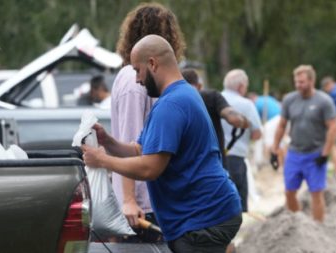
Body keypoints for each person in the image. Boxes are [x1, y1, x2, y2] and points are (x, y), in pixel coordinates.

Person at [82, 35, 242, 253]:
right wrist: (108, 141)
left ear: (152, 64)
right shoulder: (178, 96)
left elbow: (150, 168)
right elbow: (140, 150)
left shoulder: (172, 104)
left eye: (137, 70)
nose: (137, 79)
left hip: (204, 218)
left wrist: (102, 160)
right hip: (207, 213)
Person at [109, 2, 186, 242]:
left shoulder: (145, 80)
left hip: (149, 201)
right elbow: (130, 140)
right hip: (140, 208)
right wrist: (130, 201)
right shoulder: (135, 83)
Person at [271, 65, 336, 222]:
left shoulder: (324, 101)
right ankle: (298, 224)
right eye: (296, 82)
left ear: (311, 80)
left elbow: (333, 127)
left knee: (316, 193)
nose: (298, 85)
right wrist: (275, 149)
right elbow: (281, 125)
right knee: (289, 192)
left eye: (302, 82)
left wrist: (325, 153)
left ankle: (318, 228)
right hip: (294, 153)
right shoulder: (289, 100)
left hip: (315, 154)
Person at [181, 68, 249, 167]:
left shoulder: (172, 102)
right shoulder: (211, 97)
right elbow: (234, 119)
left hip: (186, 169)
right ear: (199, 85)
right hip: (214, 167)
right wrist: (244, 121)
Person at [221, 69, 262, 213]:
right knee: (238, 205)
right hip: (236, 158)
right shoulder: (246, 104)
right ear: (241, 86)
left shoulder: (213, 99)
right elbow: (257, 134)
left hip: (214, 158)